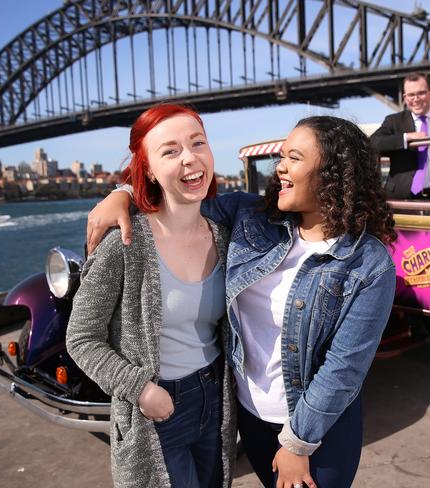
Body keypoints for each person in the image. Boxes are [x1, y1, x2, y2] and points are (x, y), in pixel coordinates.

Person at [87, 116, 397, 488]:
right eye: (281, 156)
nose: (280, 167)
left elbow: (344, 369)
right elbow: (180, 202)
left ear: (333, 173)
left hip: (316, 432)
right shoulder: (252, 216)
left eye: (294, 158)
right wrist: (123, 193)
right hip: (249, 417)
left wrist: (297, 444)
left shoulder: (369, 263)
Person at [66, 104, 235, 488]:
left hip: (215, 398)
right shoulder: (124, 243)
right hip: (155, 408)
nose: (190, 158)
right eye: (170, 151)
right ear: (149, 170)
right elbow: (81, 338)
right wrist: (140, 389)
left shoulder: (224, 236)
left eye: (198, 143)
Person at [370, 72, 430, 200]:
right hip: (401, 198)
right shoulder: (394, 121)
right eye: (411, 95)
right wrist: (406, 138)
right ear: (405, 97)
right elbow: (372, 143)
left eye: (421, 93)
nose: (416, 99)